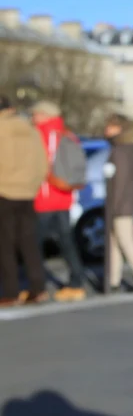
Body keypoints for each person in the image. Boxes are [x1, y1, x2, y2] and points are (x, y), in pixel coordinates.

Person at [31, 100, 89, 302]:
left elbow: (38, 166)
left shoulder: (40, 134)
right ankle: (77, 281)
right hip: (64, 197)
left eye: (35, 114)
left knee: (33, 244)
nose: (32, 118)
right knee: (67, 242)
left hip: (44, 197)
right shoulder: (67, 134)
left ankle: (36, 286)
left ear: (44, 115)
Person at [0, 95, 50, 306]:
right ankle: (37, 288)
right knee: (29, 242)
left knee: (5, 245)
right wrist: (33, 184)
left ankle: (10, 292)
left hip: (4, 191)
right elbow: (43, 163)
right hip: (28, 192)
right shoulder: (31, 130)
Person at [103, 114, 133, 292]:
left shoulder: (120, 150)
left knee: (125, 241)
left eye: (110, 125)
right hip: (126, 203)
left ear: (120, 128)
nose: (106, 129)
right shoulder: (129, 148)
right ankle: (113, 279)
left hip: (121, 205)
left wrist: (114, 207)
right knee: (115, 242)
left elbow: (121, 182)